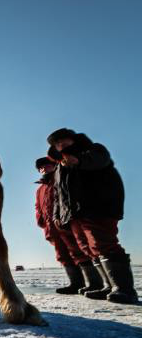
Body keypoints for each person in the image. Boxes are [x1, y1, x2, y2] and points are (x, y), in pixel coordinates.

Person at [48, 128, 137, 304]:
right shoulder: (59, 166)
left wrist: (78, 160)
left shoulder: (94, 150)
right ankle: (107, 285)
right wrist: (58, 214)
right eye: (57, 143)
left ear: (73, 139)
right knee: (87, 248)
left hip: (97, 207)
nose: (61, 145)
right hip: (74, 214)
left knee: (103, 243)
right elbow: (59, 194)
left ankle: (125, 289)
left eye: (64, 140)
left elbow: (98, 161)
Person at [34, 156, 96, 294]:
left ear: (54, 165)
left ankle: (94, 283)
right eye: (40, 168)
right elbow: (38, 207)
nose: (43, 169)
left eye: (46, 165)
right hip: (50, 227)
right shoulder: (40, 189)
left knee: (78, 251)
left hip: (66, 222)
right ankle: (75, 283)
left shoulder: (60, 178)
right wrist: (40, 220)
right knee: (62, 254)